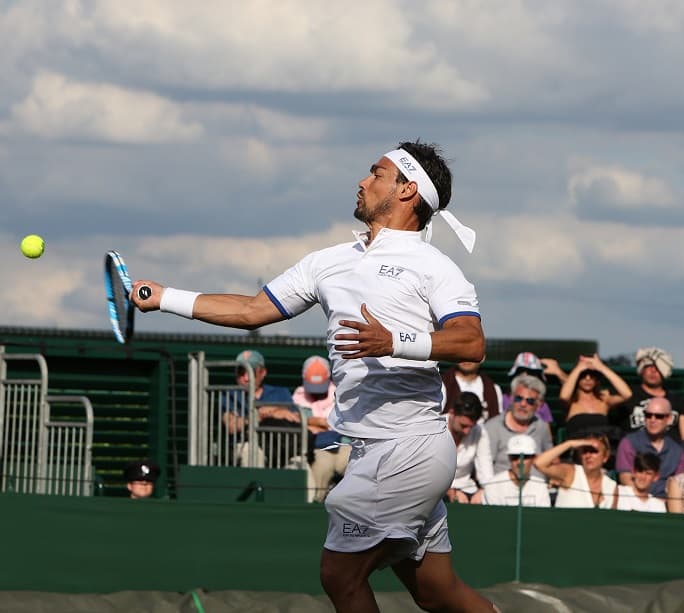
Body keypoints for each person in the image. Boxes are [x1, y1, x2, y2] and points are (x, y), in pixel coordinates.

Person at [131, 141, 496, 612]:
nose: (362, 181)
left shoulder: (435, 268)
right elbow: (252, 309)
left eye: (376, 173)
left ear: (408, 190)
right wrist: (163, 297)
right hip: (370, 451)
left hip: (411, 449)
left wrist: (395, 341)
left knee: (340, 574)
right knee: (436, 593)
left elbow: (472, 343)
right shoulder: (328, 261)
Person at [293, 355, 349, 503]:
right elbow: (297, 422)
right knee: (322, 467)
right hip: (318, 448)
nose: (317, 392)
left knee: (358, 465)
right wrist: (313, 421)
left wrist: (315, 422)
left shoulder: (339, 393)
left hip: (344, 444)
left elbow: (344, 423)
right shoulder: (298, 396)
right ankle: (317, 505)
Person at [482, 373, 554, 477]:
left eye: (530, 401)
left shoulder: (541, 427)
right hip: (503, 488)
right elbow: (484, 466)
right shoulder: (492, 427)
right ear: (511, 398)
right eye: (518, 399)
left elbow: (551, 460)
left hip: (537, 488)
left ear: (538, 405)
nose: (523, 404)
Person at [614, 347, 684, 441]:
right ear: (641, 369)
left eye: (658, 367)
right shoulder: (627, 397)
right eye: (648, 366)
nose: (653, 371)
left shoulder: (678, 402)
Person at [615, 397, 684, 498]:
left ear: (669, 419)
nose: (652, 420)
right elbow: (625, 479)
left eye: (658, 416)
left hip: (666, 505)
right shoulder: (628, 442)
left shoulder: (677, 451)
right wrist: (649, 501)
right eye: (648, 415)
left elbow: (679, 486)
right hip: (635, 501)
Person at [533, 435, 617, 509]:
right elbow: (539, 463)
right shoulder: (571, 473)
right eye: (585, 451)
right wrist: (569, 444)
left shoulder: (611, 486)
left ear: (605, 457)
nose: (588, 455)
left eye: (593, 451)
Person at [559, 354, 631, 439]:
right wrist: (579, 368)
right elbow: (563, 396)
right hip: (578, 448)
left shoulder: (604, 400)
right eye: (583, 374)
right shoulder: (572, 401)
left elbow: (627, 394)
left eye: (593, 374)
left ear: (597, 379)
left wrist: (602, 368)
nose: (588, 378)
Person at [446, 392, 493, 504]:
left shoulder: (480, 431)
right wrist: (449, 491)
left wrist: (484, 491)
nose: (467, 431)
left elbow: (486, 471)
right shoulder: (436, 427)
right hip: (436, 489)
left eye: (471, 427)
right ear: (452, 413)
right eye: (463, 426)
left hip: (467, 489)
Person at [481, 434, 550, 507]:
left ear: (534, 458)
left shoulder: (540, 486)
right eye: (515, 457)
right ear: (509, 458)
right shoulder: (493, 485)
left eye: (525, 457)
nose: (519, 462)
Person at [499, 352, 556, 425]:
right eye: (522, 371)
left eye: (532, 373)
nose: (527, 376)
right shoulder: (502, 400)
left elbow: (547, 432)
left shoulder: (542, 405)